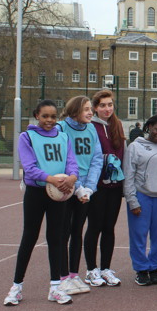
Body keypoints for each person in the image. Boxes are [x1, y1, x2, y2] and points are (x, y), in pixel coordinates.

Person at [4, 100, 78, 306]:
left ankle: (55, 287)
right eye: (45, 116)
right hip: (37, 192)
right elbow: (29, 166)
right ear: (37, 116)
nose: (49, 120)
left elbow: (71, 161)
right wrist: (52, 179)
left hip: (59, 194)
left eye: (53, 117)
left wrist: (72, 177)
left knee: (55, 238)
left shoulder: (63, 136)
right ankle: (16, 287)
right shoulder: (26, 137)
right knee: (29, 237)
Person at [57, 96, 103, 295]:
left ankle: (74, 275)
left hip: (84, 189)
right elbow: (61, 158)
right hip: (66, 187)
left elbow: (96, 159)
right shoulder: (61, 128)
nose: (90, 112)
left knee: (77, 232)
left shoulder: (92, 129)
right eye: (86, 109)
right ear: (74, 110)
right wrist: (74, 185)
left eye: (90, 109)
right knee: (62, 232)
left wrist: (89, 188)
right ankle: (61, 277)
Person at [124, 115, 157, 286]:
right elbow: (128, 175)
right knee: (139, 235)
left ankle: (155, 268)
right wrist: (132, 200)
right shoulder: (135, 147)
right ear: (149, 127)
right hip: (142, 196)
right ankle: (141, 269)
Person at [84, 89, 126, 287]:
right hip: (97, 186)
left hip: (115, 186)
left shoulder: (117, 125)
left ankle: (105, 269)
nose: (107, 108)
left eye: (110, 104)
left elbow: (123, 154)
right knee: (95, 227)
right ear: (95, 108)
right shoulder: (90, 127)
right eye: (102, 105)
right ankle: (91, 270)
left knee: (109, 227)